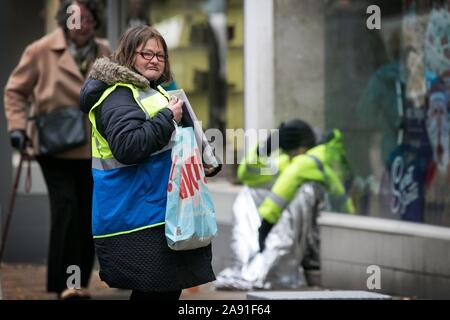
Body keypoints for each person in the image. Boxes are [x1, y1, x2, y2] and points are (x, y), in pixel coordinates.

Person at [79, 25, 217, 300]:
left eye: (160, 55)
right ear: (129, 56)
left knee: (163, 294)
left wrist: (201, 155)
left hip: (160, 213)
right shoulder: (119, 95)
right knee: (156, 295)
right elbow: (128, 146)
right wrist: (168, 118)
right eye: (146, 54)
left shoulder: (154, 93)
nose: (155, 60)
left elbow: (168, 145)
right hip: (138, 218)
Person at [3, 0, 110, 299]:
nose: (80, 23)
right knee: (66, 212)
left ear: (95, 20)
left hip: (92, 149)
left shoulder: (104, 51)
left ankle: (77, 285)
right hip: (54, 147)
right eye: (74, 16)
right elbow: (15, 91)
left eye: (87, 17)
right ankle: (66, 285)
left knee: (88, 216)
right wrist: (18, 128)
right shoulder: (41, 49)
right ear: (65, 18)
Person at [215, 119, 354, 290]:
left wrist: (265, 225)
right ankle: (250, 263)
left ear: (302, 148)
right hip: (315, 236)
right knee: (249, 192)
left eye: (290, 152)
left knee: (303, 193)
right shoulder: (294, 160)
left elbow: (283, 190)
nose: (287, 156)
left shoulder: (314, 159)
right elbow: (248, 175)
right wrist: (266, 147)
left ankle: (269, 270)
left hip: (332, 235)